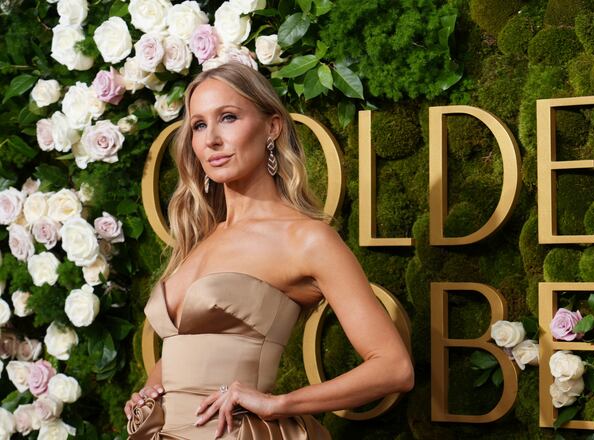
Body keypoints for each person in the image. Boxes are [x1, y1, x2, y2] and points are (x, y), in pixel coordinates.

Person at [123, 62, 414, 439]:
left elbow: (394, 367)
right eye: (199, 125)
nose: (211, 139)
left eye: (228, 117)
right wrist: (151, 390)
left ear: (272, 126)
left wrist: (280, 404)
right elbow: (190, 345)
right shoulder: (199, 238)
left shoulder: (307, 239)